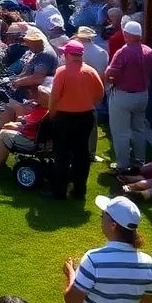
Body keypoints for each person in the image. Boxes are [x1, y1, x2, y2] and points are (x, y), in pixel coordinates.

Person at [62, 195, 152, 303]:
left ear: (113, 226)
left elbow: (71, 302)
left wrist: (71, 274)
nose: (101, 219)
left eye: (103, 216)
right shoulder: (148, 264)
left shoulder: (93, 260)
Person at [47, 41, 105, 200]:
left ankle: (59, 192)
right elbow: (100, 93)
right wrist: (87, 103)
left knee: (62, 155)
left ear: (67, 55)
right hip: (86, 117)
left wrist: (52, 115)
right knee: (81, 154)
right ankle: (79, 190)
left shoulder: (62, 72)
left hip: (65, 118)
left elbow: (54, 97)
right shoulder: (90, 71)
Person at [0, 81, 51, 183]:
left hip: (33, 141)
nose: (34, 94)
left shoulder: (41, 111)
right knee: (6, 129)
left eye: (38, 94)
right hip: (39, 138)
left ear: (43, 99)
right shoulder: (47, 110)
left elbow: (26, 124)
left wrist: (15, 125)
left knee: (3, 134)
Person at [107, 21, 152, 173]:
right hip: (142, 95)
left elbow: (110, 74)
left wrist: (111, 77)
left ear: (126, 35)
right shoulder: (148, 51)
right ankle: (140, 162)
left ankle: (122, 165)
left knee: (121, 132)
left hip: (124, 96)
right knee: (139, 130)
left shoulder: (123, 52)